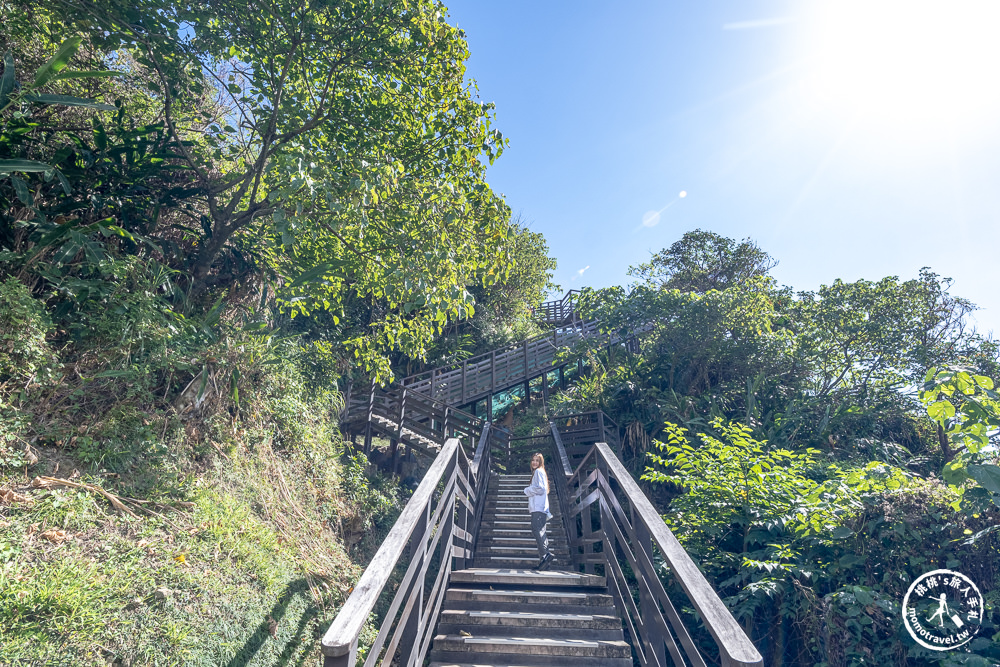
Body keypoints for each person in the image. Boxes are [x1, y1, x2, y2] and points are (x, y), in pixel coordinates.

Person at [524, 452, 555, 570]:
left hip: (538, 507)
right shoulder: (540, 472)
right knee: (541, 531)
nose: (534, 462)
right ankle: (544, 562)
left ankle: (546, 555)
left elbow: (541, 489)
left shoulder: (538, 472)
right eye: (533, 460)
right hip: (541, 507)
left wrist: (527, 490)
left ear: (541, 462)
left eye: (537, 460)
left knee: (536, 530)